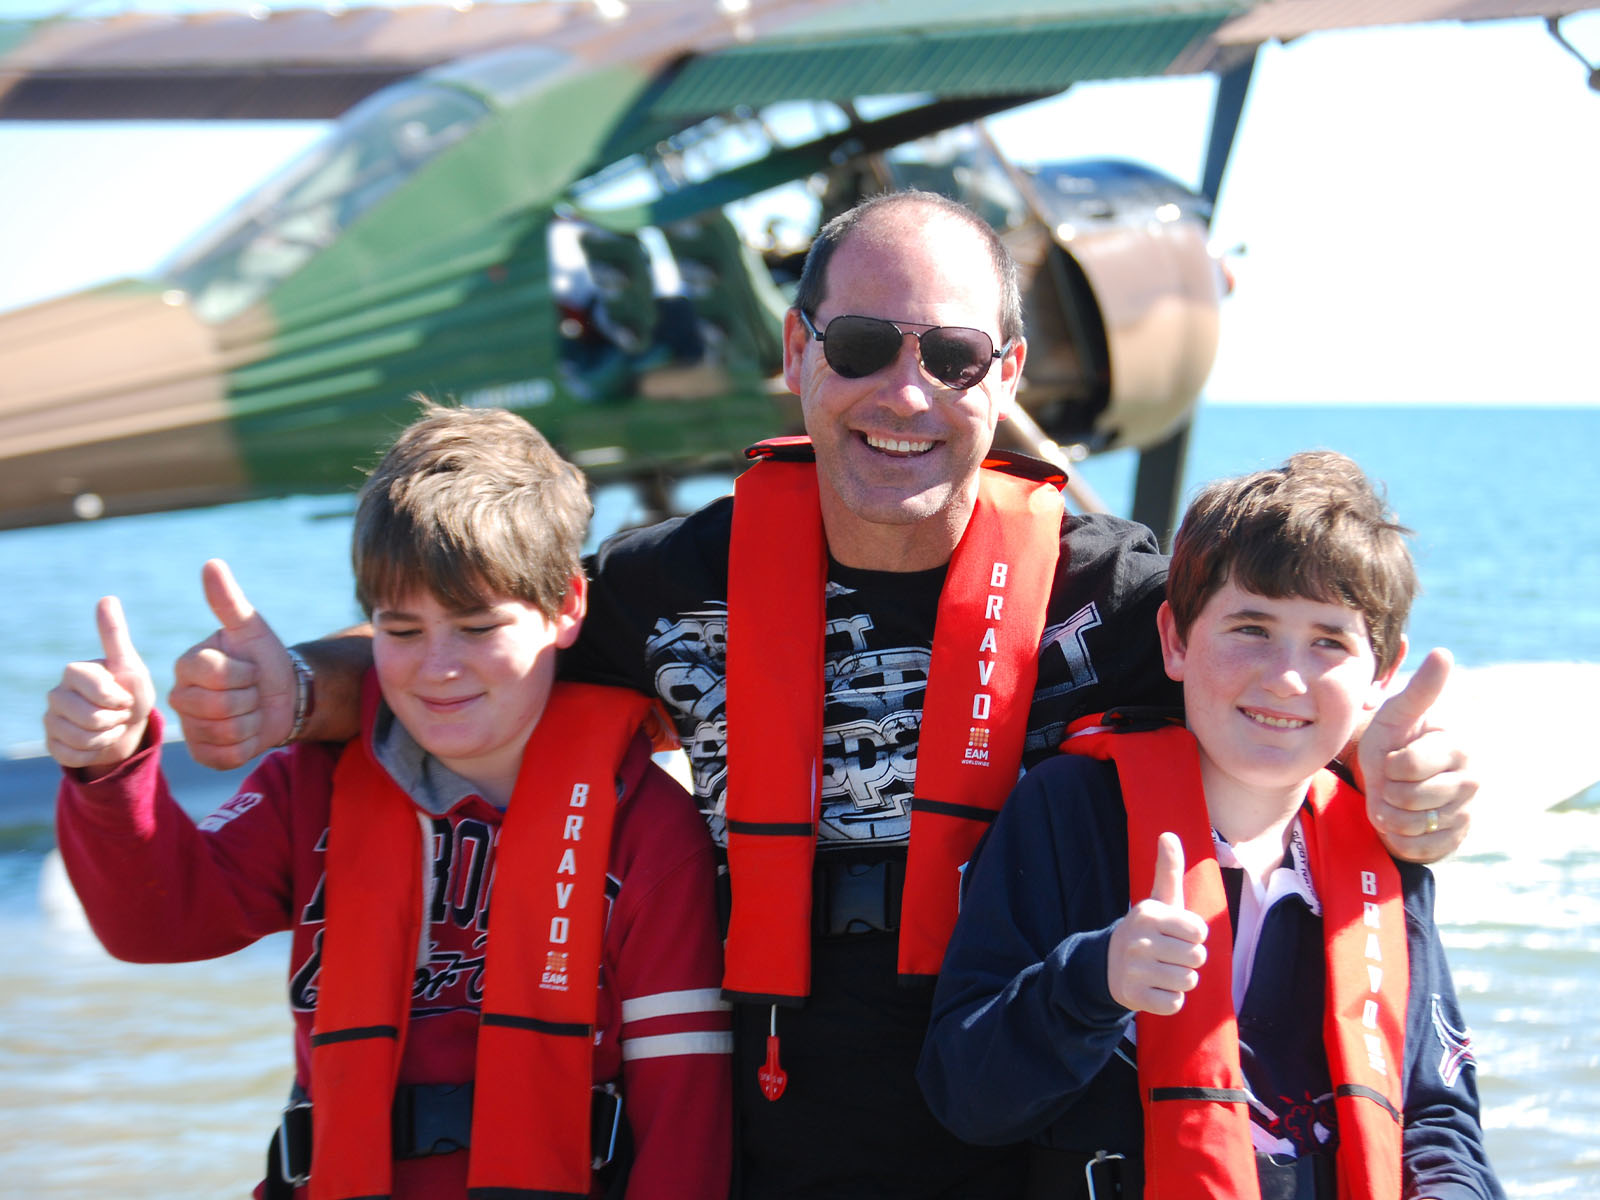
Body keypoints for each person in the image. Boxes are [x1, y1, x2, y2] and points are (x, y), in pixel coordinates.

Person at [166, 192, 1477, 1199]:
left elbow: (1277, 691)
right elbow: (472, 654)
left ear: (1005, 377)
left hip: (1022, 1126)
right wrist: (297, 693)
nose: (904, 391)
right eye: (861, 344)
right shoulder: (675, 582)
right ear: (798, 353)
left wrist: (1401, 774)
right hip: (764, 1127)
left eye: (952, 357)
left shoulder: (1119, 599)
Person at [45, 404, 732, 1200]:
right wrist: (111, 765)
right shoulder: (310, 787)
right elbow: (157, 925)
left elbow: (688, 1127)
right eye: (401, 632)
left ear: (567, 608)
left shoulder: (650, 831)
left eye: (477, 627)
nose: (437, 668)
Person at [918, 451, 1502, 1200]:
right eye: (1251, 627)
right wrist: (1096, 982)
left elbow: (1440, 1126)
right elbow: (965, 1096)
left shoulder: (1386, 852)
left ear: (1381, 676)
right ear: (1176, 640)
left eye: (1330, 641)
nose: (1285, 676)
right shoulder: (1070, 812)